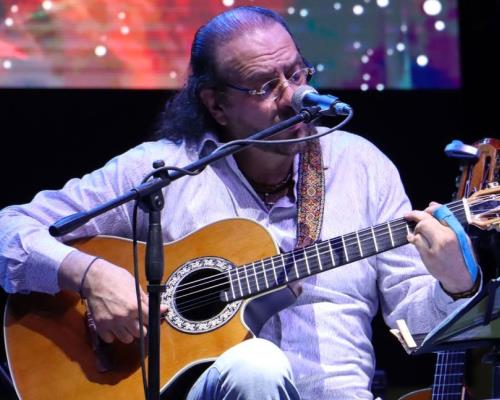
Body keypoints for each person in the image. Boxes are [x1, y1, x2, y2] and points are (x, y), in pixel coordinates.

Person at [0, 6, 479, 399]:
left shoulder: (362, 166)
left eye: (297, 73)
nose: (296, 98)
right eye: (266, 86)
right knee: (257, 366)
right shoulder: (162, 171)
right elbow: (9, 231)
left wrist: (456, 285)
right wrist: (92, 275)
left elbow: (417, 328)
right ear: (216, 104)